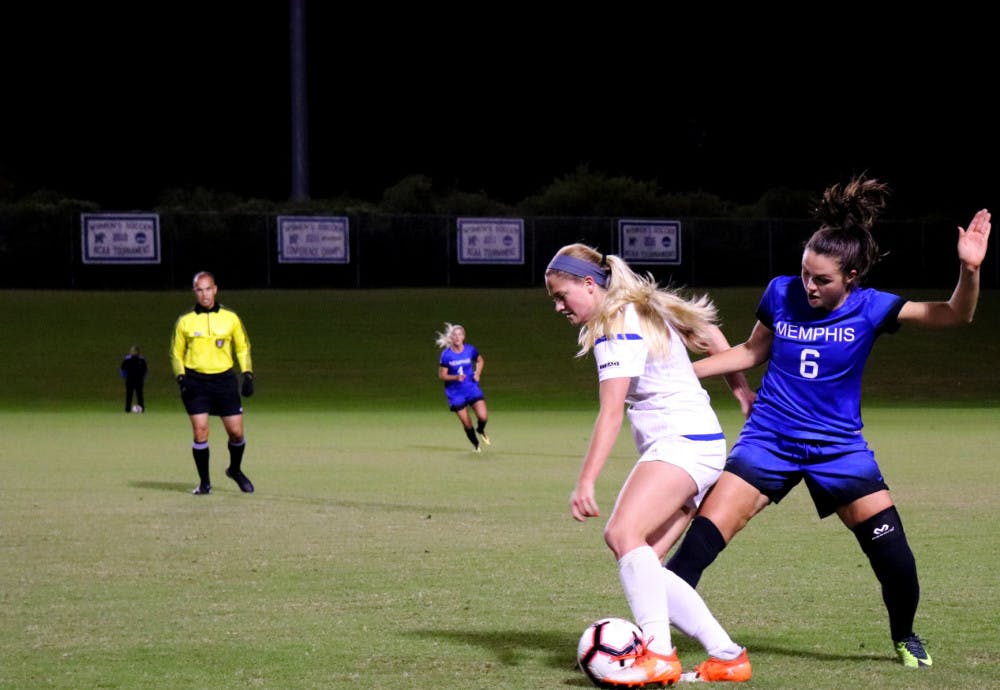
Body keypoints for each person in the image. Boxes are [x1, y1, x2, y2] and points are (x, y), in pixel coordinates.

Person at [666, 175, 992, 669]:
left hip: (839, 449)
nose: (809, 286)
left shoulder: (873, 307)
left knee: (897, 562)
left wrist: (969, 271)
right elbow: (752, 352)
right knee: (695, 551)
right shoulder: (780, 294)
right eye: (805, 274)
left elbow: (953, 316)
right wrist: (680, 374)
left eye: (823, 280)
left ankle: (905, 635)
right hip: (769, 440)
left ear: (853, 276)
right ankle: (653, 642)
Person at [545, 244, 756, 685]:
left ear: (589, 283)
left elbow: (611, 411)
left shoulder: (615, 325)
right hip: (699, 444)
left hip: (681, 444)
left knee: (622, 534)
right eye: (554, 300)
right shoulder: (641, 308)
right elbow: (712, 334)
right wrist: (740, 393)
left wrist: (586, 481)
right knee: (647, 563)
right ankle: (727, 656)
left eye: (563, 295)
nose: (560, 306)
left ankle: (659, 653)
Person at [170, 271, 256, 495]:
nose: (204, 294)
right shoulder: (185, 322)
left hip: (224, 380)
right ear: (194, 292)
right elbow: (176, 354)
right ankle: (205, 483)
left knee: (236, 433)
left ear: (215, 289)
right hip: (196, 382)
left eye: (208, 289)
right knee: (200, 432)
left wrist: (247, 374)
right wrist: (181, 377)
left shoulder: (231, 318)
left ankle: (235, 470)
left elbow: (242, 347)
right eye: (200, 290)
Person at [436, 322, 491, 453]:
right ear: (451, 338)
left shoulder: (470, 350)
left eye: (460, 334)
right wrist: (455, 377)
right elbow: (442, 375)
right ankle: (476, 445)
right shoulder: (446, 355)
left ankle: (481, 429)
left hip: (471, 388)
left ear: (463, 336)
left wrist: (477, 373)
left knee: (483, 417)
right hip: (455, 393)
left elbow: (480, 360)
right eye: (454, 335)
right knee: (467, 423)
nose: (457, 337)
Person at [120, 344, 148, 413]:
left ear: (138, 352)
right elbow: (122, 369)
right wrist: (125, 377)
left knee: (140, 395)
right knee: (129, 395)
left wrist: (143, 378)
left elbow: (145, 370)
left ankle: (141, 409)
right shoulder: (127, 359)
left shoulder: (141, 360)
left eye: (134, 351)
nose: (133, 352)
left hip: (139, 381)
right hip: (129, 380)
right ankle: (127, 409)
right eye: (132, 351)